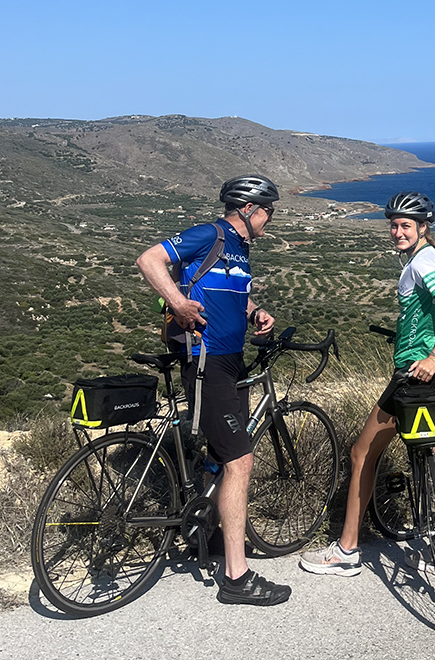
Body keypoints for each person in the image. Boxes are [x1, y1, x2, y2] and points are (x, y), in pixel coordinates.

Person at [136, 174, 291, 606]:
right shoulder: (211, 234)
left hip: (229, 360)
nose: (271, 218)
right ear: (248, 209)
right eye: (268, 210)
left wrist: (255, 311)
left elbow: (230, 293)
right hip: (206, 362)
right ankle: (236, 578)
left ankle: (208, 531)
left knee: (222, 455)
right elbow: (149, 260)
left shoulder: (239, 249)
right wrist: (177, 303)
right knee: (240, 461)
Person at [299, 191, 435, 576]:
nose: (397, 232)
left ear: (423, 227)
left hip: (413, 374)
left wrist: (432, 358)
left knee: (362, 453)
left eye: (406, 225)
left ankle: (346, 551)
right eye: (393, 225)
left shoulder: (421, 264)